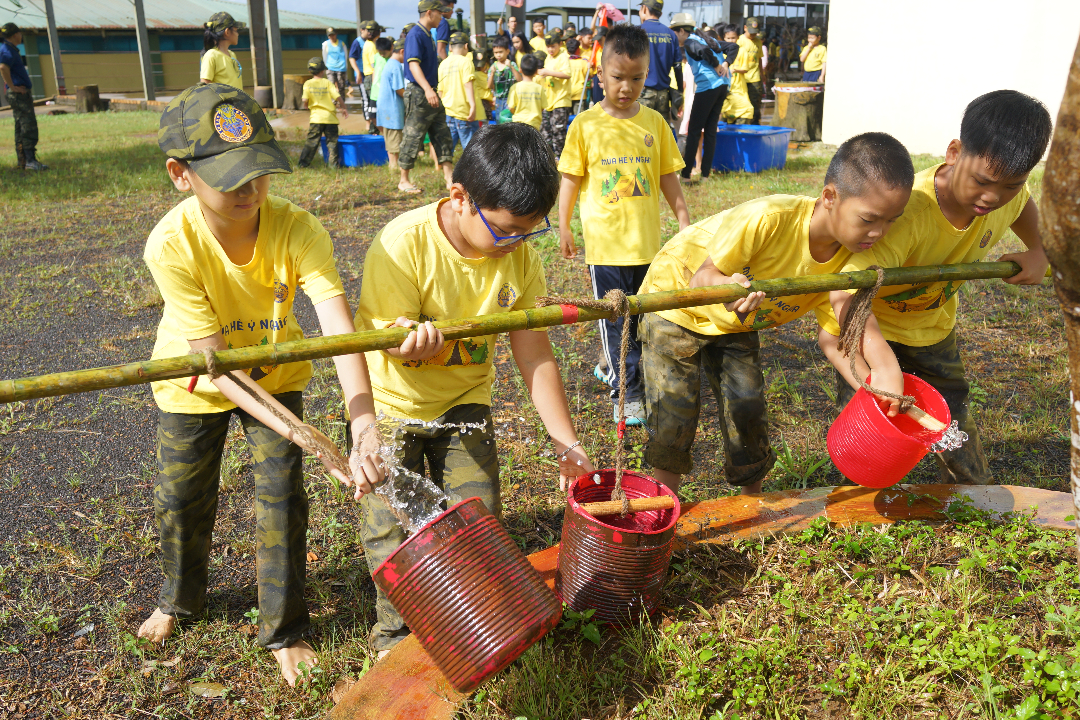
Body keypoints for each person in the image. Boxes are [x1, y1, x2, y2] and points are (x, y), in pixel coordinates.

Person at [136, 83, 384, 685]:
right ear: (180, 175)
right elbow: (219, 367)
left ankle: (285, 629)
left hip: (276, 374)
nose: (250, 189)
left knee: (281, 496)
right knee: (182, 497)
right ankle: (178, 598)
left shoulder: (299, 229)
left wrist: (363, 423)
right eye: (231, 178)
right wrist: (313, 440)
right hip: (195, 381)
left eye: (260, 172)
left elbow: (338, 331)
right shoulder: (171, 245)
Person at [355, 123, 594, 657]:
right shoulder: (403, 244)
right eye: (507, 231)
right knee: (389, 528)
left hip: (465, 405)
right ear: (459, 197)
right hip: (393, 408)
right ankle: (395, 637)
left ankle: (471, 622)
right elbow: (384, 338)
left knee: (478, 517)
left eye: (528, 233)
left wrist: (566, 442)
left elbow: (533, 353)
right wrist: (405, 345)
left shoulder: (519, 257)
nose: (516, 244)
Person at [639, 132, 914, 495]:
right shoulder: (769, 219)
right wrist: (728, 288)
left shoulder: (850, 260)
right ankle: (661, 503)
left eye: (892, 221)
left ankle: (752, 503)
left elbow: (836, 341)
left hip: (735, 320)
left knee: (747, 406)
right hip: (675, 299)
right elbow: (702, 278)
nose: (879, 232)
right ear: (830, 197)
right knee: (675, 409)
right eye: (869, 219)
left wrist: (874, 388)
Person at [818, 91, 1054, 486]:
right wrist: (884, 365)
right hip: (871, 335)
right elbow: (845, 293)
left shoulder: (1009, 199)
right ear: (955, 153)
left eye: (1011, 186)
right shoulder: (907, 215)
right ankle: (856, 499)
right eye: (982, 181)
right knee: (871, 428)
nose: (992, 197)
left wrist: (1041, 253)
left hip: (933, 332)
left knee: (952, 414)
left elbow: (1030, 221)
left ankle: (974, 491)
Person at [557, 24, 690, 426]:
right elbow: (570, 179)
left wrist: (684, 220)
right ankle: (626, 395)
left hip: (647, 246)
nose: (627, 87)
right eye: (618, 77)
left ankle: (614, 369)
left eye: (637, 78)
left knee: (644, 321)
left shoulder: (654, 123)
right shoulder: (585, 125)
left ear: (647, 74)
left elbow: (667, 176)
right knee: (615, 321)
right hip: (606, 248)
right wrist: (564, 226)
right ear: (600, 74)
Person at [399, 0, 455, 194]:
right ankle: (404, 180)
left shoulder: (428, 34)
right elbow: (413, 64)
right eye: (440, 13)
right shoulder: (415, 34)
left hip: (431, 91)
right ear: (430, 13)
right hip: (419, 93)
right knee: (413, 135)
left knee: (442, 134)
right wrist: (427, 89)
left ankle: (449, 178)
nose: (442, 16)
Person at [671, 14, 733, 182]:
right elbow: (733, 47)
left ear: (682, 31)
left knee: (694, 131)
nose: (673, 36)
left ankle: (685, 176)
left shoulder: (690, 41)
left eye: (674, 32)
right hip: (722, 85)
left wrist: (717, 65)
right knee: (710, 130)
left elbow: (703, 51)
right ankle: (705, 175)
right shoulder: (706, 39)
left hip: (708, 87)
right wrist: (726, 63)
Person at [0, 22, 44, 170]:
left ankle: (23, 161)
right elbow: (3, 67)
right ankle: (30, 161)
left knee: (20, 126)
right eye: (20, 33)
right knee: (28, 125)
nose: (21, 35)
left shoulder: (10, 49)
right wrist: (12, 87)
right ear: (15, 35)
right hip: (19, 94)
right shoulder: (7, 50)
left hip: (18, 93)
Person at [637, 0, 683, 124]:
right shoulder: (670, 34)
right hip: (663, 94)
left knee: (641, 130)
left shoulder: (638, 32)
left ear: (644, 9)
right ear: (661, 13)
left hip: (643, 92)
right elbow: (678, 66)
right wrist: (680, 92)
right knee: (661, 131)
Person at [299, 58, 348, 168]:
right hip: (330, 118)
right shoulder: (327, 83)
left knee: (312, 142)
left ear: (309, 71)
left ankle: (303, 164)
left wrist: (306, 105)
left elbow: (304, 99)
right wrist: (344, 107)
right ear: (323, 71)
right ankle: (333, 165)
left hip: (316, 119)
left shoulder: (308, 83)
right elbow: (337, 96)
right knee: (332, 142)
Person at [439, 32, 480, 152]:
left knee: (448, 146)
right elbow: (467, 84)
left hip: (448, 111)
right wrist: (473, 106)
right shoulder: (466, 62)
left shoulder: (443, 63)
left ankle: (444, 163)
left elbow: (440, 90)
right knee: (470, 148)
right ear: (466, 46)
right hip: (464, 112)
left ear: (450, 47)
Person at [538, 33, 572, 158]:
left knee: (558, 135)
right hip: (549, 102)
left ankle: (561, 160)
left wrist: (548, 72)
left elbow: (567, 74)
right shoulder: (548, 57)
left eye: (553, 46)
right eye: (548, 47)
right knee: (546, 133)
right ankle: (549, 159)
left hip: (560, 100)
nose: (550, 49)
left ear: (560, 44)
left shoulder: (563, 56)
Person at [377, 40, 407, 169]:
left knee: (390, 137)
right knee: (395, 138)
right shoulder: (396, 66)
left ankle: (392, 164)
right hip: (393, 108)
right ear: (402, 52)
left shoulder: (389, 63)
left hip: (385, 107)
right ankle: (394, 166)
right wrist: (409, 98)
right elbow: (398, 88)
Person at [200, 12, 245, 90]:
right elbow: (205, 88)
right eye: (236, 30)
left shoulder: (232, 54)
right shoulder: (211, 55)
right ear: (227, 32)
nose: (237, 34)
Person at [721, 24, 753, 124]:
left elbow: (745, 69)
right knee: (726, 110)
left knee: (746, 109)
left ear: (738, 37)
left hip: (739, 87)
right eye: (728, 38)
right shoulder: (721, 52)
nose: (731, 41)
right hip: (727, 86)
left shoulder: (742, 51)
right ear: (724, 38)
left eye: (733, 38)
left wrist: (734, 70)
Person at [737, 16, 764, 123]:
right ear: (745, 28)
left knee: (755, 103)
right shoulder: (739, 41)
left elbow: (759, 59)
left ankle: (755, 123)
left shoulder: (758, 42)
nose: (753, 35)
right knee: (741, 102)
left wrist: (762, 74)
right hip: (741, 77)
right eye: (751, 32)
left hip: (755, 78)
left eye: (755, 33)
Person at [507, 53, 545, 129]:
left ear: (520, 69)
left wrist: (517, 114)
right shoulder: (539, 88)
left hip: (518, 123)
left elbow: (511, 108)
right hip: (534, 124)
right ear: (536, 71)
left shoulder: (515, 87)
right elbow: (542, 108)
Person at [488, 35, 521, 120]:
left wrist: (511, 67)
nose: (498, 55)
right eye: (496, 53)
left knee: (509, 121)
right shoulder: (493, 67)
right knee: (499, 121)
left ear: (507, 51)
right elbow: (489, 86)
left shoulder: (512, 65)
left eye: (500, 52)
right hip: (498, 100)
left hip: (511, 99)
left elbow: (520, 80)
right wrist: (492, 73)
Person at [369, 37, 393, 132]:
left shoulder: (393, 59)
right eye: (380, 52)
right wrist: (373, 83)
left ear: (391, 48)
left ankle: (388, 135)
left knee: (387, 116)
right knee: (372, 116)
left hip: (386, 93)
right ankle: (384, 134)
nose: (382, 55)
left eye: (384, 53)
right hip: (375, 93)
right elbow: (375, 70)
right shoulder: (376, 56)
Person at [322, 28, 349, 97]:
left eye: (333, 35)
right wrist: (326, 67)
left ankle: (342, 101)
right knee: (331, 86)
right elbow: (324, 56)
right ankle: (333, 101)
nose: (332, 37)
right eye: (330, 35)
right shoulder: (325, 44)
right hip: (330, 67)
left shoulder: (342, 44)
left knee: (341, 87)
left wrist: (345, 66)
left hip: (341, 68)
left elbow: (345, 55)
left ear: (336, 34)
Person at [566, 38, 590, 115]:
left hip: (567, 93)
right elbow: (590, 74)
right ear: (578, 50)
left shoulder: (565, 62)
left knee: (567, 118)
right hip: (580, 94)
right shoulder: (584, 62)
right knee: (579, 117)